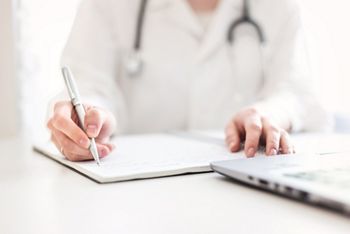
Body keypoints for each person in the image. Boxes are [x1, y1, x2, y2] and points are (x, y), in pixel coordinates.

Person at [47, 0, 330, 162]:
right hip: (137, 194)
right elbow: (90, 82)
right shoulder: (108, 6)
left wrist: (268, 114)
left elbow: (298, 92)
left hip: (243, 185)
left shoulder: (278, 7)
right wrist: (87, 115)